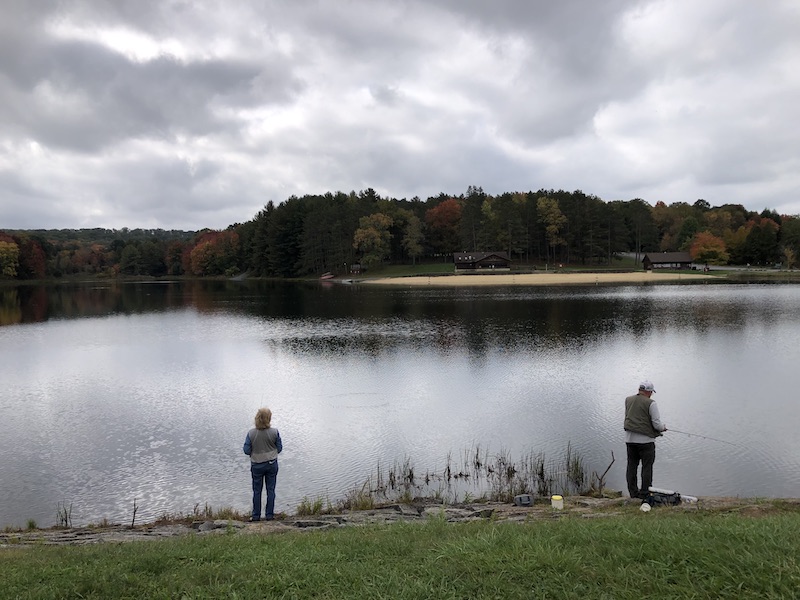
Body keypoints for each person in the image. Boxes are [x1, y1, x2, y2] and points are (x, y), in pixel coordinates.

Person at [624, 381, 667, 499]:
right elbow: (657, 424)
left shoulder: (628, 400)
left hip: (630, 440)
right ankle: (645, 494)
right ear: (648, 391)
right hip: (646, 442)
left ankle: (633, 493)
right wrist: (663, 428)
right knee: (647, 467)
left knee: (631, 466)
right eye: (651, 392)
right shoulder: (651, 403)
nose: (651, 395)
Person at [243, 407, 283, 521]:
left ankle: (256, 516)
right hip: (271, 464)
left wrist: (255, 452)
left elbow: (246, 450)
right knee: (271, 490)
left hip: (256, 465)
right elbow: (279, 448)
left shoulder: (251, 433)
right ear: (269, 418)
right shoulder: (275, 432)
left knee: (257, 491)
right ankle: (269, 515)